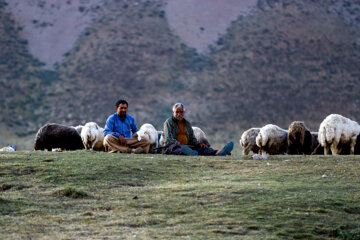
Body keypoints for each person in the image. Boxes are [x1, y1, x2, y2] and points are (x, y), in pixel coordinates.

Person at [161, 102, 234, 156]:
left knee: (201, 148)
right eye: (177, 112)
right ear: (173, 112)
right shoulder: (169, 122)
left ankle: (218, 152)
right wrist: (179, 144)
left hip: (187, 146)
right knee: (176, 149)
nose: (179, 114)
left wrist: (199, 144)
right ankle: (188, 152)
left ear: (184, 112)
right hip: (172, 146)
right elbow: (169, 139)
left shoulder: (187, 124)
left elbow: (192, 138)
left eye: (181, 112)